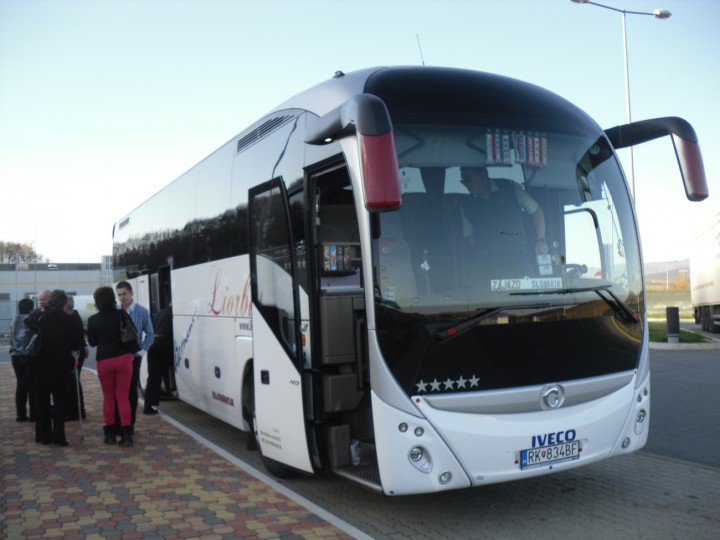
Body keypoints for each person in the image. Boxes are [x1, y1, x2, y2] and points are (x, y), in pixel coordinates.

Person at [460, 166, 548, 278]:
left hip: (518, 260)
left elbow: (536, 210)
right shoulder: (466, 205)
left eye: (468, 179)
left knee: (532, 288)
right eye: (463, 181)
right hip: (487, 266)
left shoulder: (510, 188)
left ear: (483, 174)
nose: (466, 184)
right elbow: (471, 239)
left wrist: (541, 240)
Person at [24, 289, 83, 446]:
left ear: (49, 301)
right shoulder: (70, 320)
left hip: (39, 366)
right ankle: (59, 436)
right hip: (60, 367)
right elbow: (76, 344)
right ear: (64, 303)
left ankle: (43, 435)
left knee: (41, 401)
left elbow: (28, 324)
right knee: (60, 402)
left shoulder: (39, 317)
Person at [86, 286, 135, 446]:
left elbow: (92, 342)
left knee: (109, 398)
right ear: (113, 298)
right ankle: (126, 434)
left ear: (97, 301)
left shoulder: (93, 320)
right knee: (123, 398)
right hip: (123, 359)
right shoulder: (122, 314)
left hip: (105, 361)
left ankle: (110, 434)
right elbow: (132, 332)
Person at [115, 281, 154, 432]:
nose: (122, 298)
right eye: (119, 295)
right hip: (118, 357)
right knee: (118, 391)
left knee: (131, 390)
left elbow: (150, 334)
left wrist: (140, 352)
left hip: (133, 358)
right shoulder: (115, 311)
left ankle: (130, 423)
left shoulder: (142, 311)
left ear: (131, 293)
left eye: (124, 294)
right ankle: (119, 422)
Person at [9, 298, 36, 422]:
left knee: (20, 384)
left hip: (15, 355)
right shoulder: (29, 320)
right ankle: (34, 414)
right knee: (31, 384)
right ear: (31, 309)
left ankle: (21, 414)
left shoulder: (15, 319)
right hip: (26, 356)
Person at [144, 303, 173, 415]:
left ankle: (149, 404)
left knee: (153, 376)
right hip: (164, 343)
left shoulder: (160, 312)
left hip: (153, 342)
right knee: (164, 370)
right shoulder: (174, 313)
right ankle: (149, 406)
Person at [64, 295, 88, 421]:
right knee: (74, 381)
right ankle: (78, 410)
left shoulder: (69, 318)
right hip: (78, 352)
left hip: (74, 354)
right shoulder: (76, 315)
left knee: (72, 381)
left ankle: (75, 410)